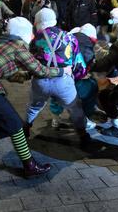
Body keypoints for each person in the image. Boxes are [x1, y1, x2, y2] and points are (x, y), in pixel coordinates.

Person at [0, 17, 68, 178]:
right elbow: (41, 70)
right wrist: (63, 71)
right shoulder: (18, 48)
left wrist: (26, 75)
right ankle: (30, 166)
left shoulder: (2, 43)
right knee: (15, 124)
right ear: (26, 34)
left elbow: (7, 70)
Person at [25, 8, 94, 141]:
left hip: (41, 80)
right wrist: (77, 76)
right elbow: (78, 62)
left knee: (34, 107)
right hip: (63, 81)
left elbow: (30, 60)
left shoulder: (35, 39)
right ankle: (83, 136)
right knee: (74, 108)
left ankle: (25, 130)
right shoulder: (69, 37)